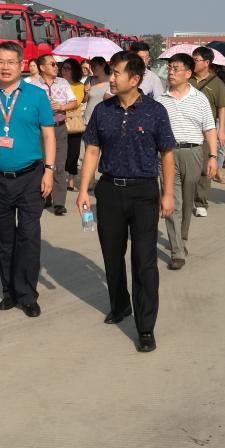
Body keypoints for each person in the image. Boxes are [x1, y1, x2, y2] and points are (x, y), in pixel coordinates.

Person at [77, 51, 175, 353]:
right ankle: (120, 305)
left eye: (117, 73)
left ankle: (145, 327)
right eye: (111, 72)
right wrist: (84, 190)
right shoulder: (102, 110)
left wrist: (167, 193)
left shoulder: (155, 111)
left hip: (144, 192)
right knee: (112, 254)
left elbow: (166, 154)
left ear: (134, 79)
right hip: (109, 190)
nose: (112, 77)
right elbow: (92, 151)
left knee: (144, 261)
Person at [0, 42, 56, 317]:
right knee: (4, 239)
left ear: (21, 65)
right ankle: (9, 291)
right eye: (0, 62)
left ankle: (27, 294)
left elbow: (49, 134)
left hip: (30, 177)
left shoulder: (37, 95)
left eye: (11, 62)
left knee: (29, 237)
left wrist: (49, 170)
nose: (5, 67)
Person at [158, 53, 217, 270]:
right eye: (169, 69)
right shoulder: (160, 99)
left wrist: (213, 157)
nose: (171, 72)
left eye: (176, 69)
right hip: (167, 155)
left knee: (187, 200)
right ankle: (177, 251)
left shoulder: (199, 98)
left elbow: (209, 128)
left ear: (188, 73)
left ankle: (182, 238)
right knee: (172, 200)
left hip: (193, 152)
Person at [26, 54, 77, 215]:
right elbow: (26, 109)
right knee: (42, 164)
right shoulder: (32, 86)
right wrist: (42, 107)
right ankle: (44, 197)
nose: (56, 67)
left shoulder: (63, 82)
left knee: (59, 165)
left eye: (56, 64)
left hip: (59, 128)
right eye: (53, 64)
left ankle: (59, 203)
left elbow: (74, 102)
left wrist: (62, 107)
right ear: (42, 67)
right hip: (40, 130)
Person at [191, 46, 225, 215]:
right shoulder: (186, 79)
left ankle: (200, 202)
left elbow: (222, 108)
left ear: (206, 63)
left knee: (204, 168)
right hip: (186, 128)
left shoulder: (217, 83)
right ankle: (185, 199)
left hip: (206, 130)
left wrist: (221, 130)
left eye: (196, 60)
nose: (192, 62)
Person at [60, 58, 86, 191]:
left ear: (74, 71)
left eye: (68, 68)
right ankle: (58, 177)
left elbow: (76, 102)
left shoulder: (79, 86)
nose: (64, 71)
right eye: (63, 68)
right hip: (58, 121)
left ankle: (70, 179)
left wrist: (62, 105)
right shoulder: (57, 84)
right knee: (59, 152)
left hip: (73, 121)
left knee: (73, 152)